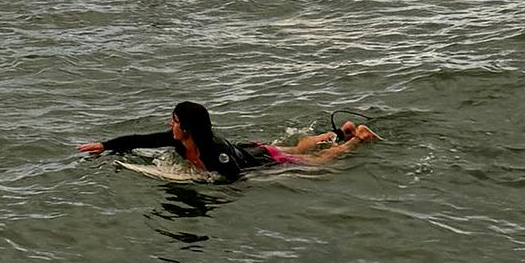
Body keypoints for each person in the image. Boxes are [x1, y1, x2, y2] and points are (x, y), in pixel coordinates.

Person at [78, 100, 378, 181]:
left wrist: (206, 180)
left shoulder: (213, 152)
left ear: (189, 128)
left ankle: (355, 139)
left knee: (316, 165)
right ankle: (339, 133)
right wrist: (105, 145)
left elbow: (235, 177)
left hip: (261, 159)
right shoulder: (177, 141)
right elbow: (139, 140)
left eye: (175, 121)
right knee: (297, 146)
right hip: (253, 148)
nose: (171, 125)